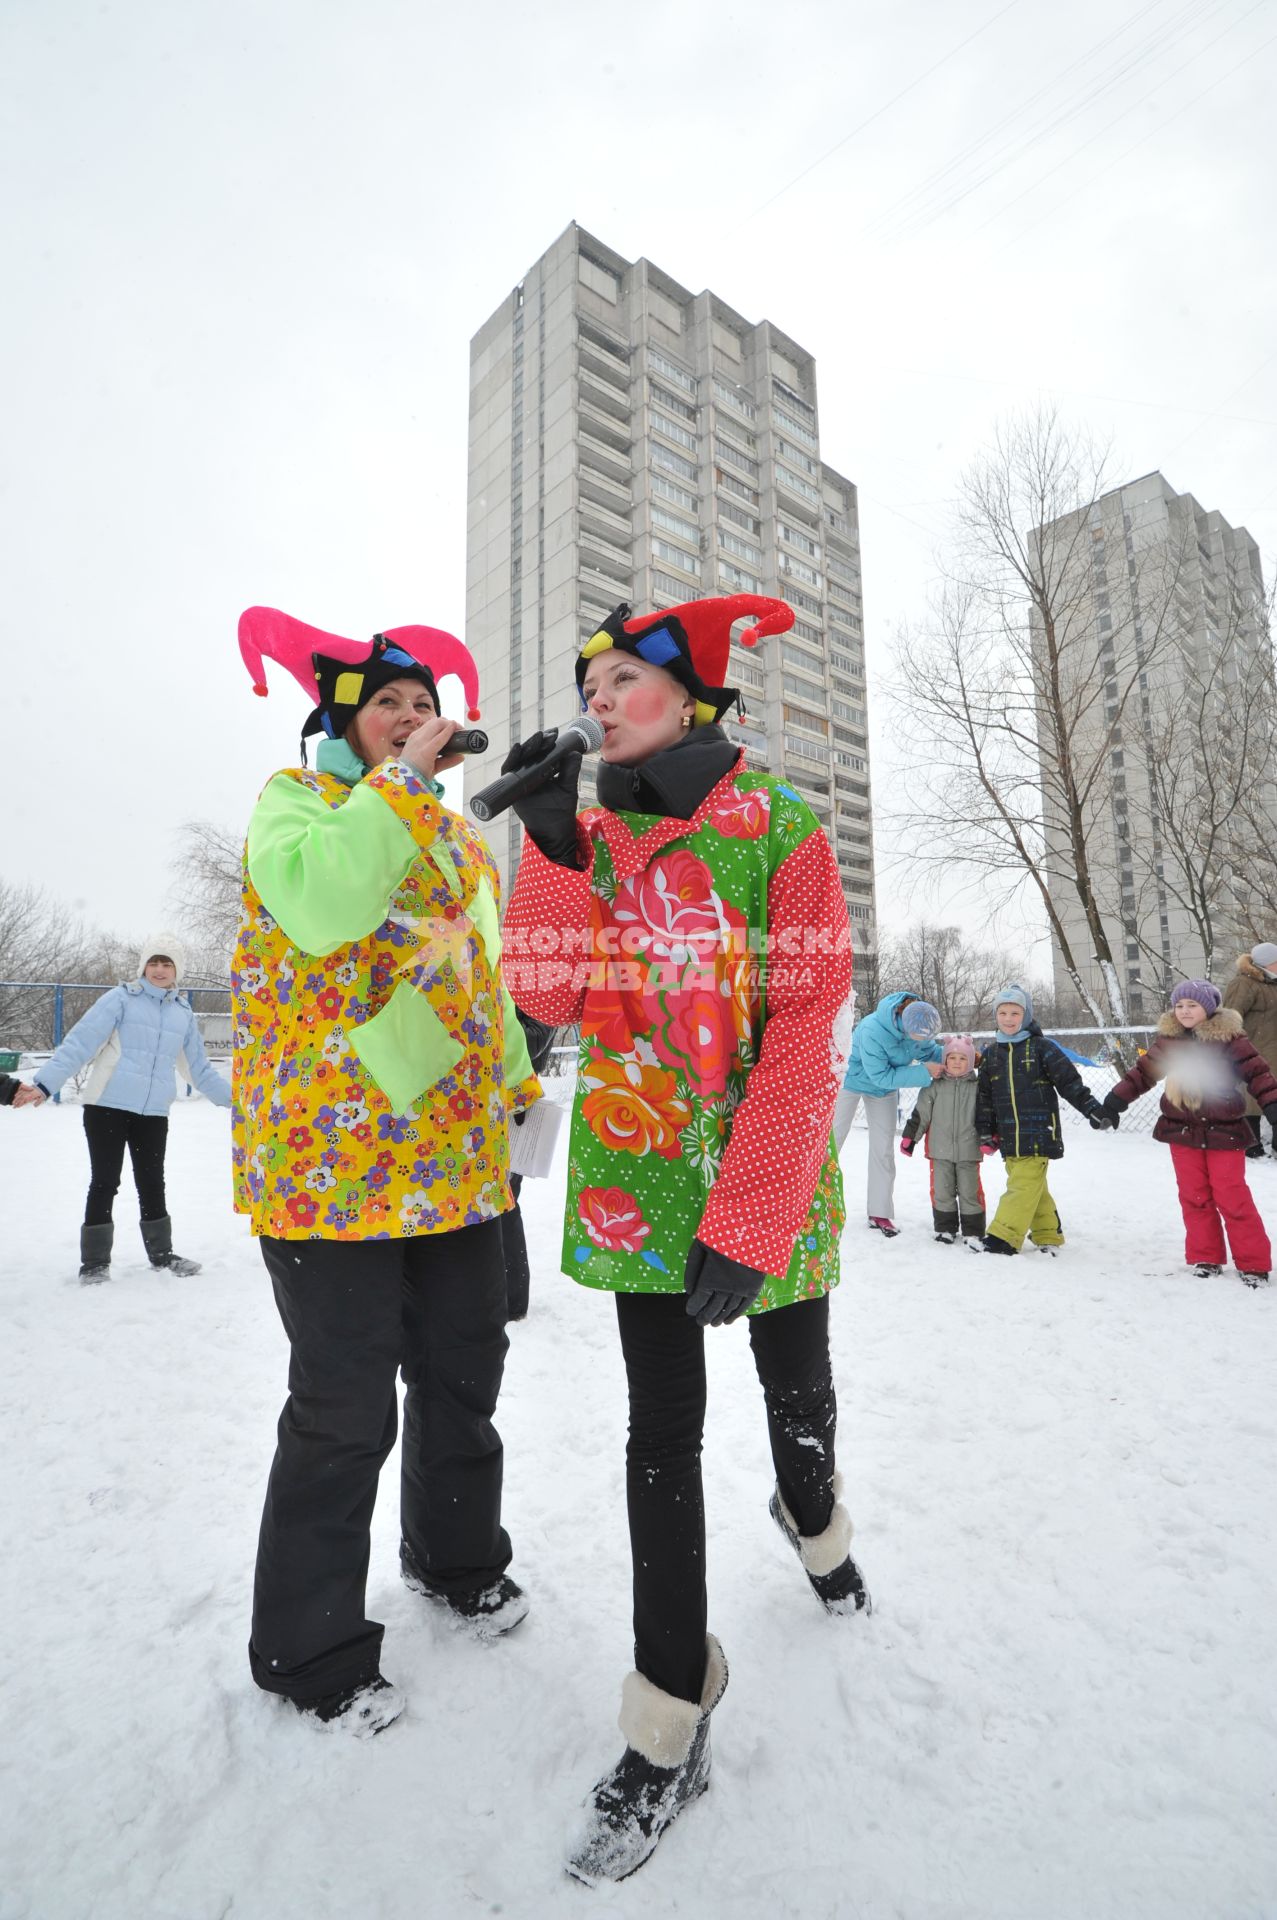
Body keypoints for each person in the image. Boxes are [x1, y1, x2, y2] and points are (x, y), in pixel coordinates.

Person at [502, 593, 866, 1884]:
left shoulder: (787, 831)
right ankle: (672, 1710)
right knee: (660, 1432)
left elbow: (808, 1022)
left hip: (765, 1182)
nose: (596, 695)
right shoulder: (589, 833)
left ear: (699, 697)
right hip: (636, 1181)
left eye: (623, 677)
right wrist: (548, 848)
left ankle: (816, 1521)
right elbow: (543, 994)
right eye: (587, 679)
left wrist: (757, 1209)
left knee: (795, 1395)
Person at [233, 605, 542, 1736]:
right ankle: (308, 1651)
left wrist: (515, 1087)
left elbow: (478, 977)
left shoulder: (459, 845)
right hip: (332, 1168)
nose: (414, 722)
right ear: (342, 725)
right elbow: (324, 911)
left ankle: (454, 1561)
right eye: (388, 710)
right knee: (342, 1407)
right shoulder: (293, 805)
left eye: (423, 707)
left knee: (464, 1374)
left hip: (453, 1163)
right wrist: (407, 784)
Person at [22, 937, 230, 1280]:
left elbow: (199, 1069)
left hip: (153, 1112)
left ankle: (162, 1255)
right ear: (144, 967)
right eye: (154, 963)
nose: (159, 970)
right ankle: (94, 1263)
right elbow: (81, 1041)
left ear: (177, 970)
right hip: (108, 1105)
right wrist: (44, 1084)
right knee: (105, 1181)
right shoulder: (120, 999)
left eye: (167, 964)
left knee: (152, 1181)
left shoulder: (183, 1013)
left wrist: (236, 1101)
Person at [1101, 980, 1277, 1286]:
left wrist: (1273, 1107)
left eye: (1192, 1005)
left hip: (1225, 1130)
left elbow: (1259, 1074)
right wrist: (1115, 1101)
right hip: (1182, 1130)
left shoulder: (1231, 1039)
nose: (1184, 1011)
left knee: (1232, 1196)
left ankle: (1253, 1263)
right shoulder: (1169, 1042)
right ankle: (1206, 1257)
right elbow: (1143, 1073)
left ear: (1208, 1008)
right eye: (1179, 1005)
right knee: (1194, 1196)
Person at [976, 982, 1116, 1256]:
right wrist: (985, 1131)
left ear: (1026, 1016)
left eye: (1015, 1013)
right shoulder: (992, 1055)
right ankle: (1047, 1232)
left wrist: (1092, 1110)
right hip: (1009, 1134)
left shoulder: (1042, 1048)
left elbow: (1070, 1084)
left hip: (1039, 1131)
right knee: (1030, 1185)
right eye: (1002, 1013)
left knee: (1021, 1185)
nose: (1008, 1019)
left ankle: (1003, 1237)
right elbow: (985, 1098)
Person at [832, 992, 945, 1236]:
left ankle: (879, 1212)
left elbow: (929, 1051)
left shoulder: (919, 1024)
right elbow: (880, 1075)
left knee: (882, 1149)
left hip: (883, 1090)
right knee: (832, 1141)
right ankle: (809, 1203)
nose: (922, 1041)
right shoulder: (873, 1029)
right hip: (851, 1082)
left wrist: (957, 1057)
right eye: (919, 1036)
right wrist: (924, 1072)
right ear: (904, 1024)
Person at [899, 1034, 991, 1244]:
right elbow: (921, 1113)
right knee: (942, 1190)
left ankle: (974, 1231)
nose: (957, 1062)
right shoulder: (935, 1085)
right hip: (939, 1151)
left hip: (969, 1150)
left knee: (970, 1191)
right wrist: (910, 1138)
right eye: (952, 1058)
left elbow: (987, 1114)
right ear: (944, 1060)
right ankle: (945, 1228)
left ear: (970, 1061)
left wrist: (989, 1137)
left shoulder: (978, 1087)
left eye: (962, 1058)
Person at [500, 1007, 559, 1322]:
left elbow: (536, 1036)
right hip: (489, 1098)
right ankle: (503, 1294)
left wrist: (483, 1018)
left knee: (505, 1202)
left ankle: (512, 1299)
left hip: (517, 1103)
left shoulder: (533, 982)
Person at [1222, 941, 1277, 1159]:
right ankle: (1251, 1145)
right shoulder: (1244, 984)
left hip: (1273, 1049)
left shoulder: (1273, 984)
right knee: (1252, 1100)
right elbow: (1230, 1017)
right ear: (1268, 963)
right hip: (1254, 1051)